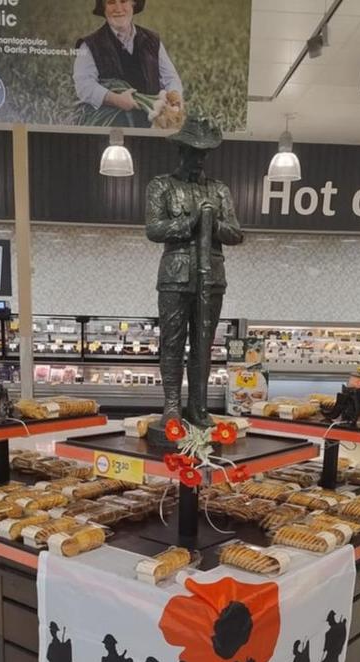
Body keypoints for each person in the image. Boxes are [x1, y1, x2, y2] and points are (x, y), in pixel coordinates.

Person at [146, 116, 243, 429]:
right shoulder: (161, 185)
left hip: (212, 277)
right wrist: (188, 224)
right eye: (194, 151)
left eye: (204, 152)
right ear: (181, 151)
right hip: (175, 275)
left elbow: (236, 233)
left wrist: (212, 224)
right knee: (172, 343)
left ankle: (198, 406)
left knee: (203, 343)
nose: (199, 157)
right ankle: (172, 405)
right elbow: (154, 228)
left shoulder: (219, 190)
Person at [74, 0, 183, 127]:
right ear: (103, 8)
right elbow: (84, 85)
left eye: (124, 1)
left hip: (151, 125)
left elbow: (170, 78)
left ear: (133, 4)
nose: (118, 8)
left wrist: (174, 99)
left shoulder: (152, 40)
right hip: (111, 126)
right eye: (111, 2)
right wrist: (116, 100)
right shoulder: (90, 44)